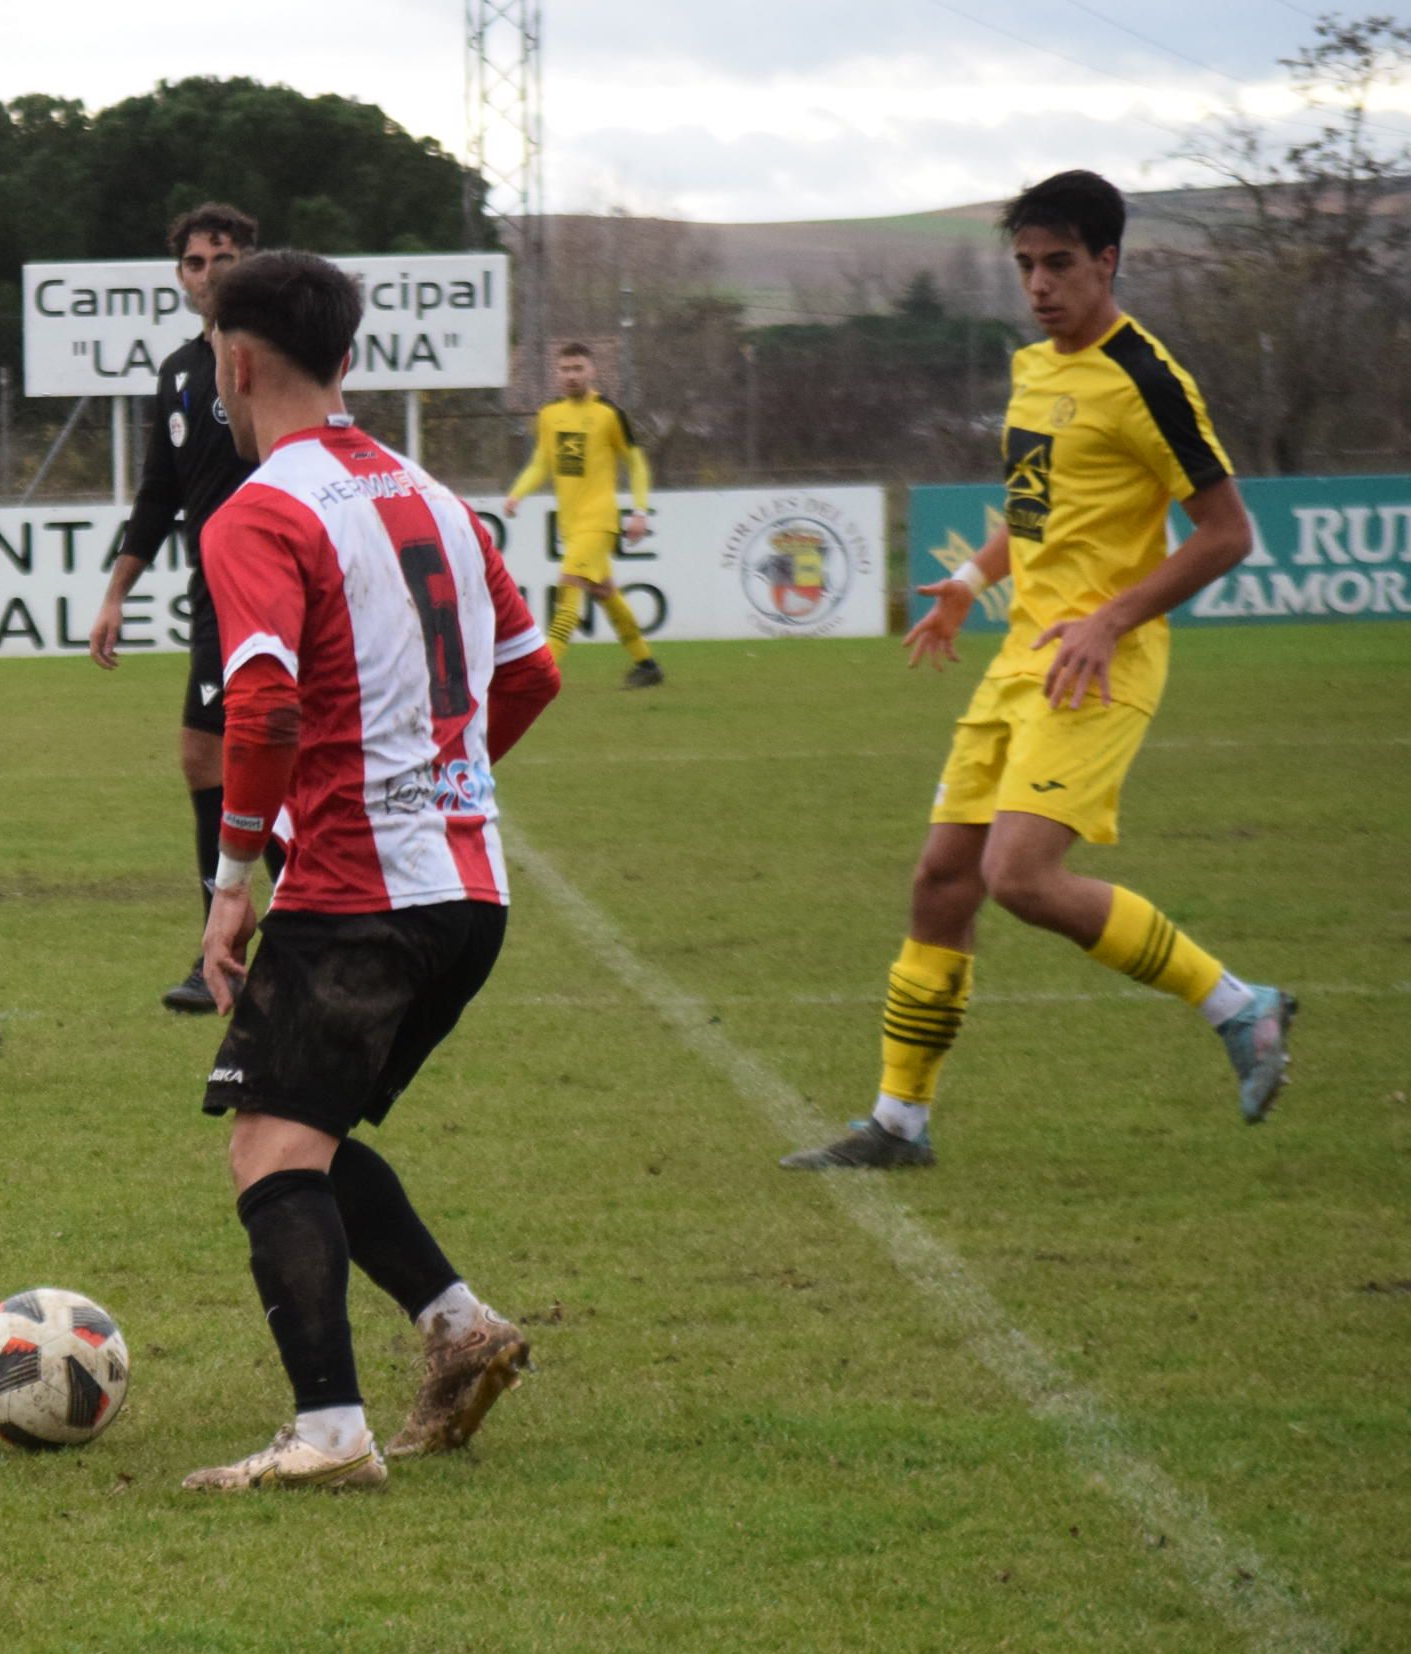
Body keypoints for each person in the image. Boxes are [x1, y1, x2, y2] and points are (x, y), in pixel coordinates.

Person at [782, 169, 1284, 1171]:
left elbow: (1227, 533)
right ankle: (897, 1123)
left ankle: (1240, 1004)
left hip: (1100, 663)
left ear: (1106, 260)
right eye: (1024, 265)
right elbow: (1036, 509)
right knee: (939, 882)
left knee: (1018, 876)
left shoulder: (1147, 377)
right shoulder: (1031, 370)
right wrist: (970, 579)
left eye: (1059, 263)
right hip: (1022, 658)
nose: (1039, 284)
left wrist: (1110, 617)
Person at [180, 251, 563, 1494]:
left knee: (267, 1149)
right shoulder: (440, 499)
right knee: (307, 1122)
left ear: (234, 363)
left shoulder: (259, 511)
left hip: (360, 894)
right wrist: (437, 777)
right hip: (470, 893)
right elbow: (532, 672)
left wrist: (236, 873)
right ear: (348, 359)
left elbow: (263, 708)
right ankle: (457, 1328)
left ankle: (330, 1432)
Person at [86, 201, 262, 1014]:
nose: (209, 272)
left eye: (223, 257)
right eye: (195, 262)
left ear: (248, 261)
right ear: (180, 275)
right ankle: (219, 954)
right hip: (214, 593)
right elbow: (158, 493)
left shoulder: (280, 356)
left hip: (281, 587)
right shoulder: (180, 371)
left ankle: (301, 943)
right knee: (203, 758)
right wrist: (116, 593)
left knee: (281, 763)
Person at [504, 344, 661, 688]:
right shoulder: (549, 415)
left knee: (569, 588)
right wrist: (517, 493)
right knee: (605, 593)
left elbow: (635, 463)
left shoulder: (608, 414)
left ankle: (540, 672)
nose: (572, 375)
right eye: (565, 369)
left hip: (599, 520)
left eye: (578, 368)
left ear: (592, 371)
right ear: (556, 373)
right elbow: (541, 463)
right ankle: (646, 664)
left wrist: (639, 511)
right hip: (571, 526)